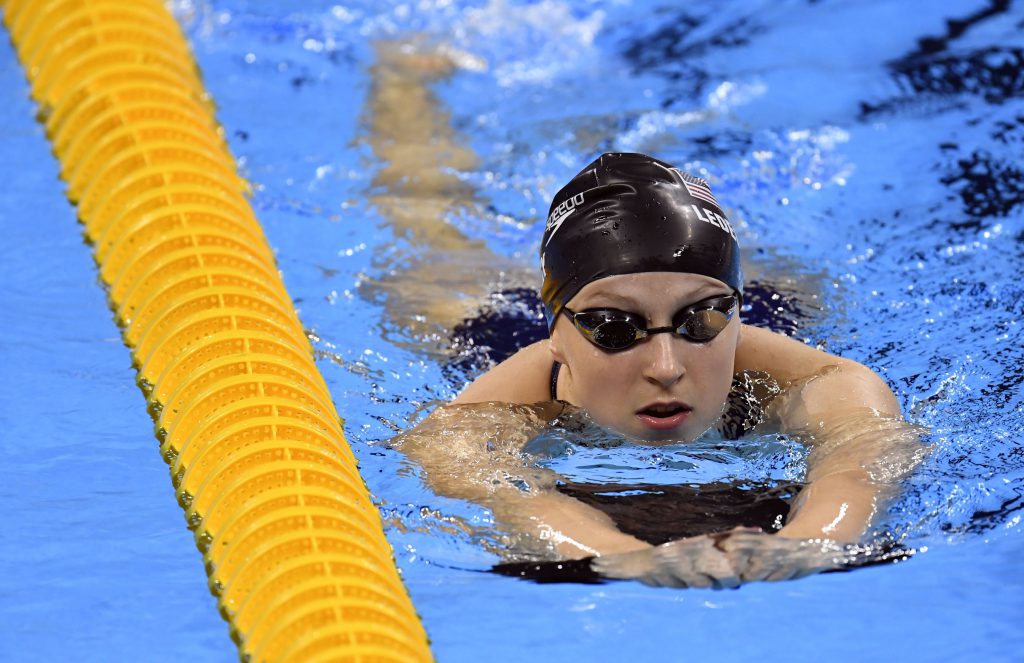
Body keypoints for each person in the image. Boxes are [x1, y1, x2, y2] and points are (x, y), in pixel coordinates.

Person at [395, 152, 923, 588]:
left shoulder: (817, 382)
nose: (666, 368)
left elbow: (856, 466)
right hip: (499, 333)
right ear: (556, 330)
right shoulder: (484, 412)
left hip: (769, 308)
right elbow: (510, 497)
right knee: (432, 252)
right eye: (613, 326)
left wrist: (808, 545)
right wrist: (628, 558)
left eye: (703, 319)